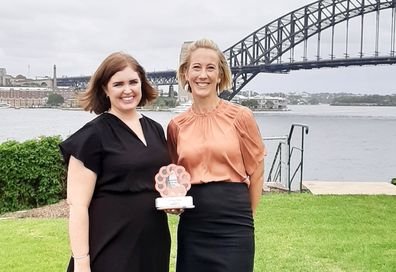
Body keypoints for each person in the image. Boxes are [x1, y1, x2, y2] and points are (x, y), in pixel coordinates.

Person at [59, 52, 171, 272]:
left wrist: (173, 202)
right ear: (104, 89)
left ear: (142, 84)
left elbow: (158, 184)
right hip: (111, 245)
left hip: (153, 242)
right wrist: (82, 262)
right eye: (118, 84)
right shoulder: (92, 136)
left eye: (133, 82)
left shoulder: (155, 129)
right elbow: (78, 205)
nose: (127, 90)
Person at [167, 39, 266, 272]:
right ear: (186, 74)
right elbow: (175, 176)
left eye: (210, 68)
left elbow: (257, 172)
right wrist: (173, 201)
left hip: (235, 224)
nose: (203, 75)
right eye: (196, 67)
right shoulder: (175, 125)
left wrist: (246, 218)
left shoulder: (241, 116)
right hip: (194, 225)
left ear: (221, 75)